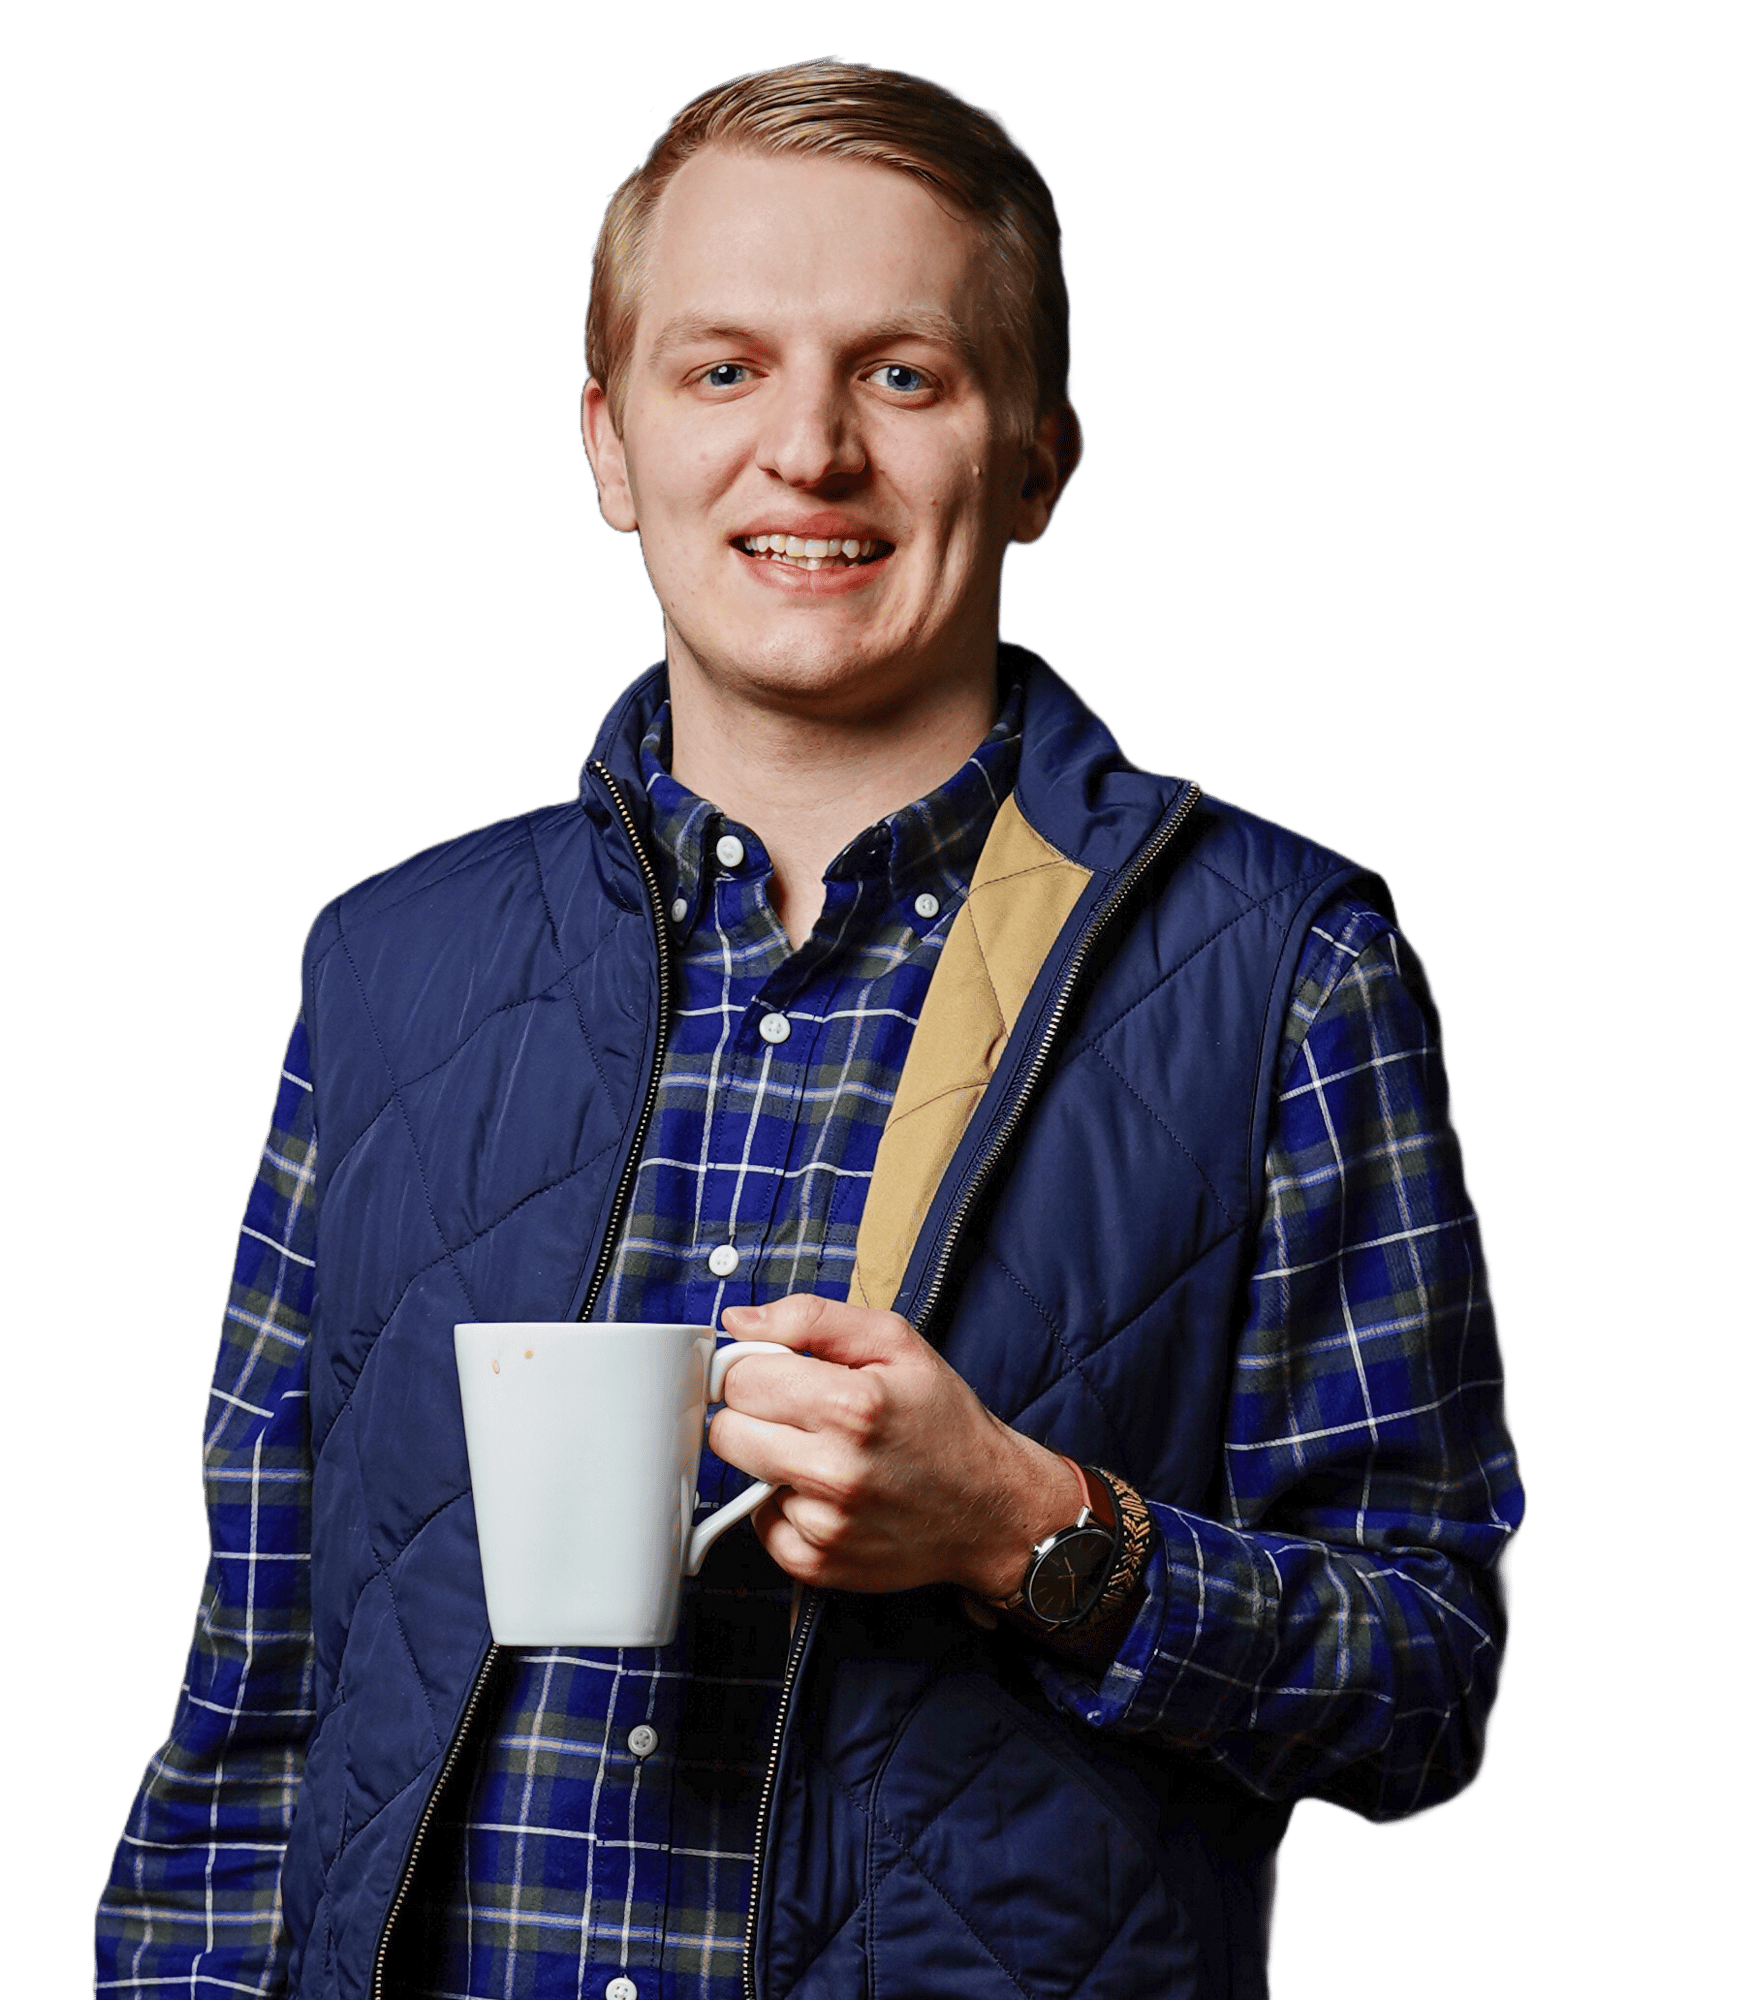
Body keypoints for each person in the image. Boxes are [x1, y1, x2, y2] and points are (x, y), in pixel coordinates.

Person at [93, 56, 1524, 2000]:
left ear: (1036, 457)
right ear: (608, 444)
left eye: (903, 373)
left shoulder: (1280, 965)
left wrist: (1029, 1526)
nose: (809, 451)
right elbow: (251, 1719)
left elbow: (1422, 1682)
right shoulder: (384, 969)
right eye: (720, 369)